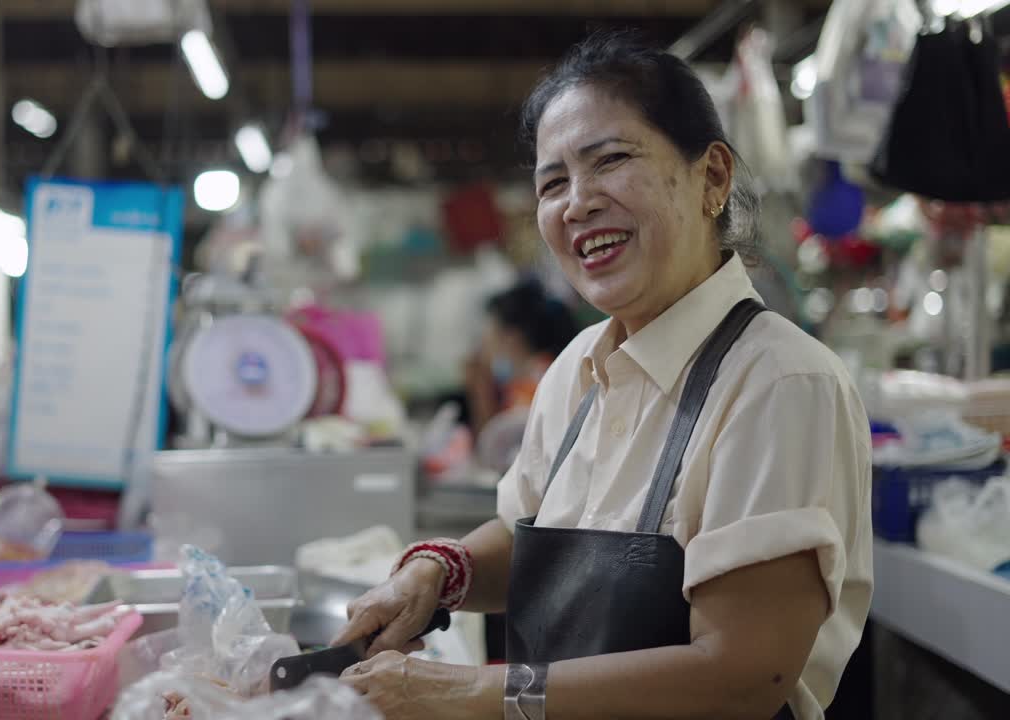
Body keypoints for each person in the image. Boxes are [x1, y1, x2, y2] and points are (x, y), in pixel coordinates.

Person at [334, 31, 872, 720]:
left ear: (711, 178)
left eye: (610, 160)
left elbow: (741, 673)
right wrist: (438, 572)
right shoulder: (577, 369)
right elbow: (531, 534)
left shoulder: (779, 382)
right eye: (552, 182)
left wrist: (469, 692)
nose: (577, 202)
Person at [465, 280, 580, 436]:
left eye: (490, 331)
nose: (484, 342)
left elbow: (499, 448)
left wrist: (480, 390)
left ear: (511, 336)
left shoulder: (537, 383)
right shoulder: (528, 378)